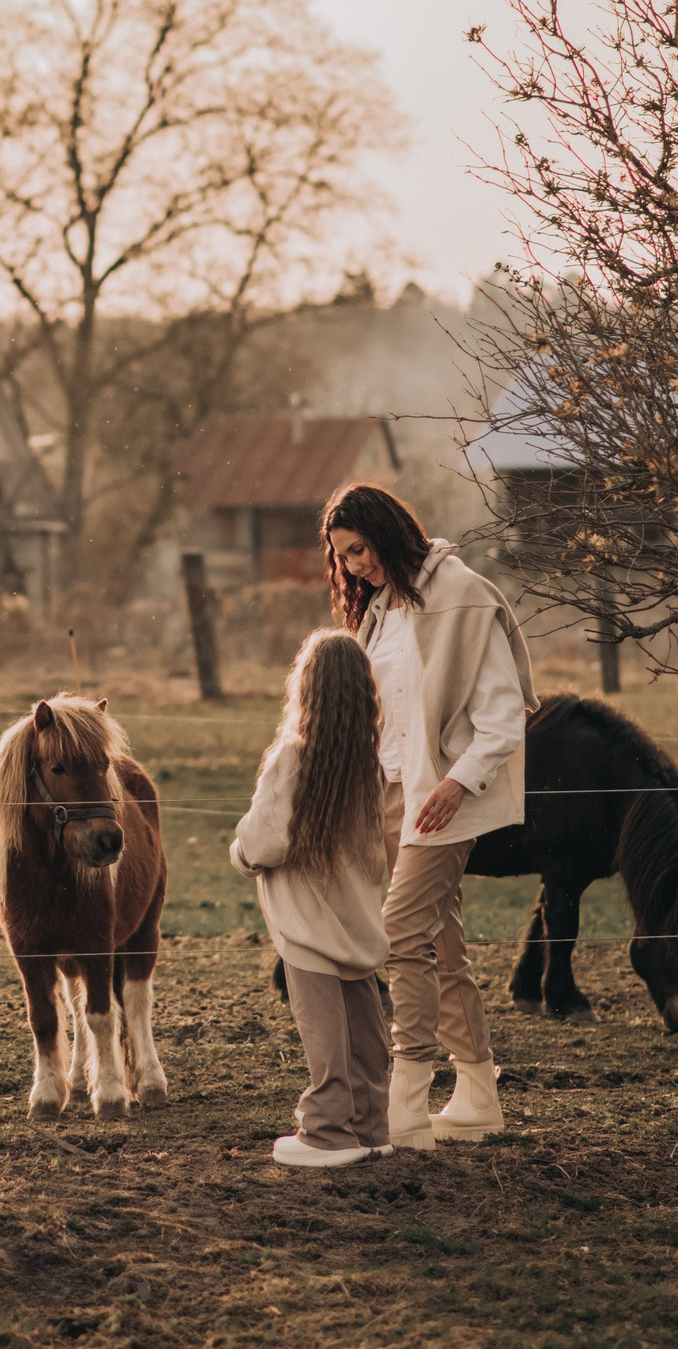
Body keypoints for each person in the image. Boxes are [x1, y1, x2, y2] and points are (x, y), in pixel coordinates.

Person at [322, 482, 535, 1148]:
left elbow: (502, 716)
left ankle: (405, 1105)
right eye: (343, 557)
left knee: (401, 931)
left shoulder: (462, 594)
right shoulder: (379, 611)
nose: (355, 564)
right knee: (443, 944)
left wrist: (455, 781)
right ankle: (477, 1097)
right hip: (389, 796)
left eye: (359, 548)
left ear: (386, 530)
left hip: (444, 800)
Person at [231, 629, 393, 1169]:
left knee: (324, 1033)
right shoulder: (366, 762)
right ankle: (371, 1126)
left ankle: (327, 1132)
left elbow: (266, 841)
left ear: (308, 689)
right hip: (357, 922)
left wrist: (241, 854)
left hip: (308, 926)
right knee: (365, 1031)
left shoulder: (293, 757)